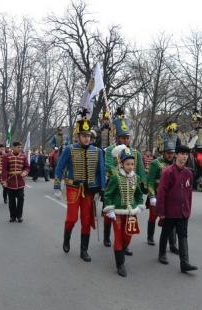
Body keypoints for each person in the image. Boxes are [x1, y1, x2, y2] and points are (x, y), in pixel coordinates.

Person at [54, 111, 105, 262]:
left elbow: (100, 171)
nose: (86, 138)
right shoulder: (69, 149)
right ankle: (66, 238)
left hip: (89, 190)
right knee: (71, 218)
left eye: (88, 136)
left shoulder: (98, 151)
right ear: (78, 136)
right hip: (73, 188)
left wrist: (101, 189)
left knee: (86, 220)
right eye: (84, 135)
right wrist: (57, 186)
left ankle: (84, 250)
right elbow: (59, 168)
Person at [103, 108, 146, 253]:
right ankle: (107, 236)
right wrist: (119, 171)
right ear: (117, 138)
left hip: (131, 184)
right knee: (110, 214)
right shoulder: (110, 150)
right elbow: (108, 166)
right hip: (115, 183)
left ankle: (124, 244)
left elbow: (139, 169)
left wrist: (141, 184)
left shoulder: (135, 153)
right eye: (123, 138)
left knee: (129, 217)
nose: (126, 140)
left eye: (127, 137)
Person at [103, 146, 144, 277]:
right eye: (127, 164)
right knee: (119, 238)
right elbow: (108, 194)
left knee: (128, 237)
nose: (130, 166)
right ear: (121, 163)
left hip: (131, 213)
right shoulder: (115, 177)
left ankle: (122, 251)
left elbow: (138, 194)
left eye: (132, 164)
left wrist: (140, 205)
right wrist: (109, 209)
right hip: (118, 213)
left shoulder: (135, 177)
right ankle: (120, 264)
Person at [156, 144, 197, 273]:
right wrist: (161, 211)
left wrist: (188, 209)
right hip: (170, 211)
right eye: (182, 154)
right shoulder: (168, 172)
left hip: (183, 211)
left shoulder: (188, 173)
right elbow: (161, 192)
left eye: (186, 154)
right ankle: (162, 253)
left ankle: (184, 262)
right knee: (166, 232)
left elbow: (189, 193)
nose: (184, 157)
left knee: (183, 235)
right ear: (176, 155)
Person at [146, 123, 179, 252]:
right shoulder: (156, 163)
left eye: (172, 153)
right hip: (157, 195)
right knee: (153, 217)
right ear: (163, 151)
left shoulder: (176, 165)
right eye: (168, 152)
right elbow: (150, 181)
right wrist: (152, 196)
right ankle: (150, 236)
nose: (171, 155)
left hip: (170, 198)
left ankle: (172, 244)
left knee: (171, 221)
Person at [1, 142, 29, 222]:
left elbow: (27, 167)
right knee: (11, 200)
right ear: (13, 148)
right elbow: (4, 169)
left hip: (20, 182)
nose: (20, 148)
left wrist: (25, 172)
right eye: (18, 147)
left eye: (21, 147)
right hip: (10, 181)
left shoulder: (23, 156)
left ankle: (19, 216)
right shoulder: (7, 156)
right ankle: (12, 216)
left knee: (21, 199)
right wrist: (4, 181)